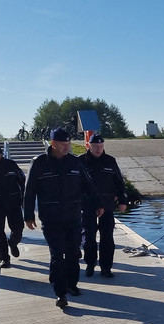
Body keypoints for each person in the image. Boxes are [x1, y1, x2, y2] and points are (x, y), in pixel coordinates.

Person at [24, 128, 103, 309]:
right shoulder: (39, 163)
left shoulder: (75, 163)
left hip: (74, 216)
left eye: (68, 144)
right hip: (51, 219)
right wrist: (28, 215)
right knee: (57, 255)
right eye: (63, 144)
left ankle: (72, 285)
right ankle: (60, 293)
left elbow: (89, 186)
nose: (67, 147)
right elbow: (29, 192)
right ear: (53, 143)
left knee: (73, 254)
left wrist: (98, 204)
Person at [78, 134, 128, 277]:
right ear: (89, 145)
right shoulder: (81, 161)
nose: (99, 149)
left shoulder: (110, 161)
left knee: (107, 237)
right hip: (88, 205)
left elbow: (119, 182)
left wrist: (123, 201)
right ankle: (90, 264)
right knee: (88, 236)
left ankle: (106, 267)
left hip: (107, 205)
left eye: (101, 146)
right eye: (96, 146)